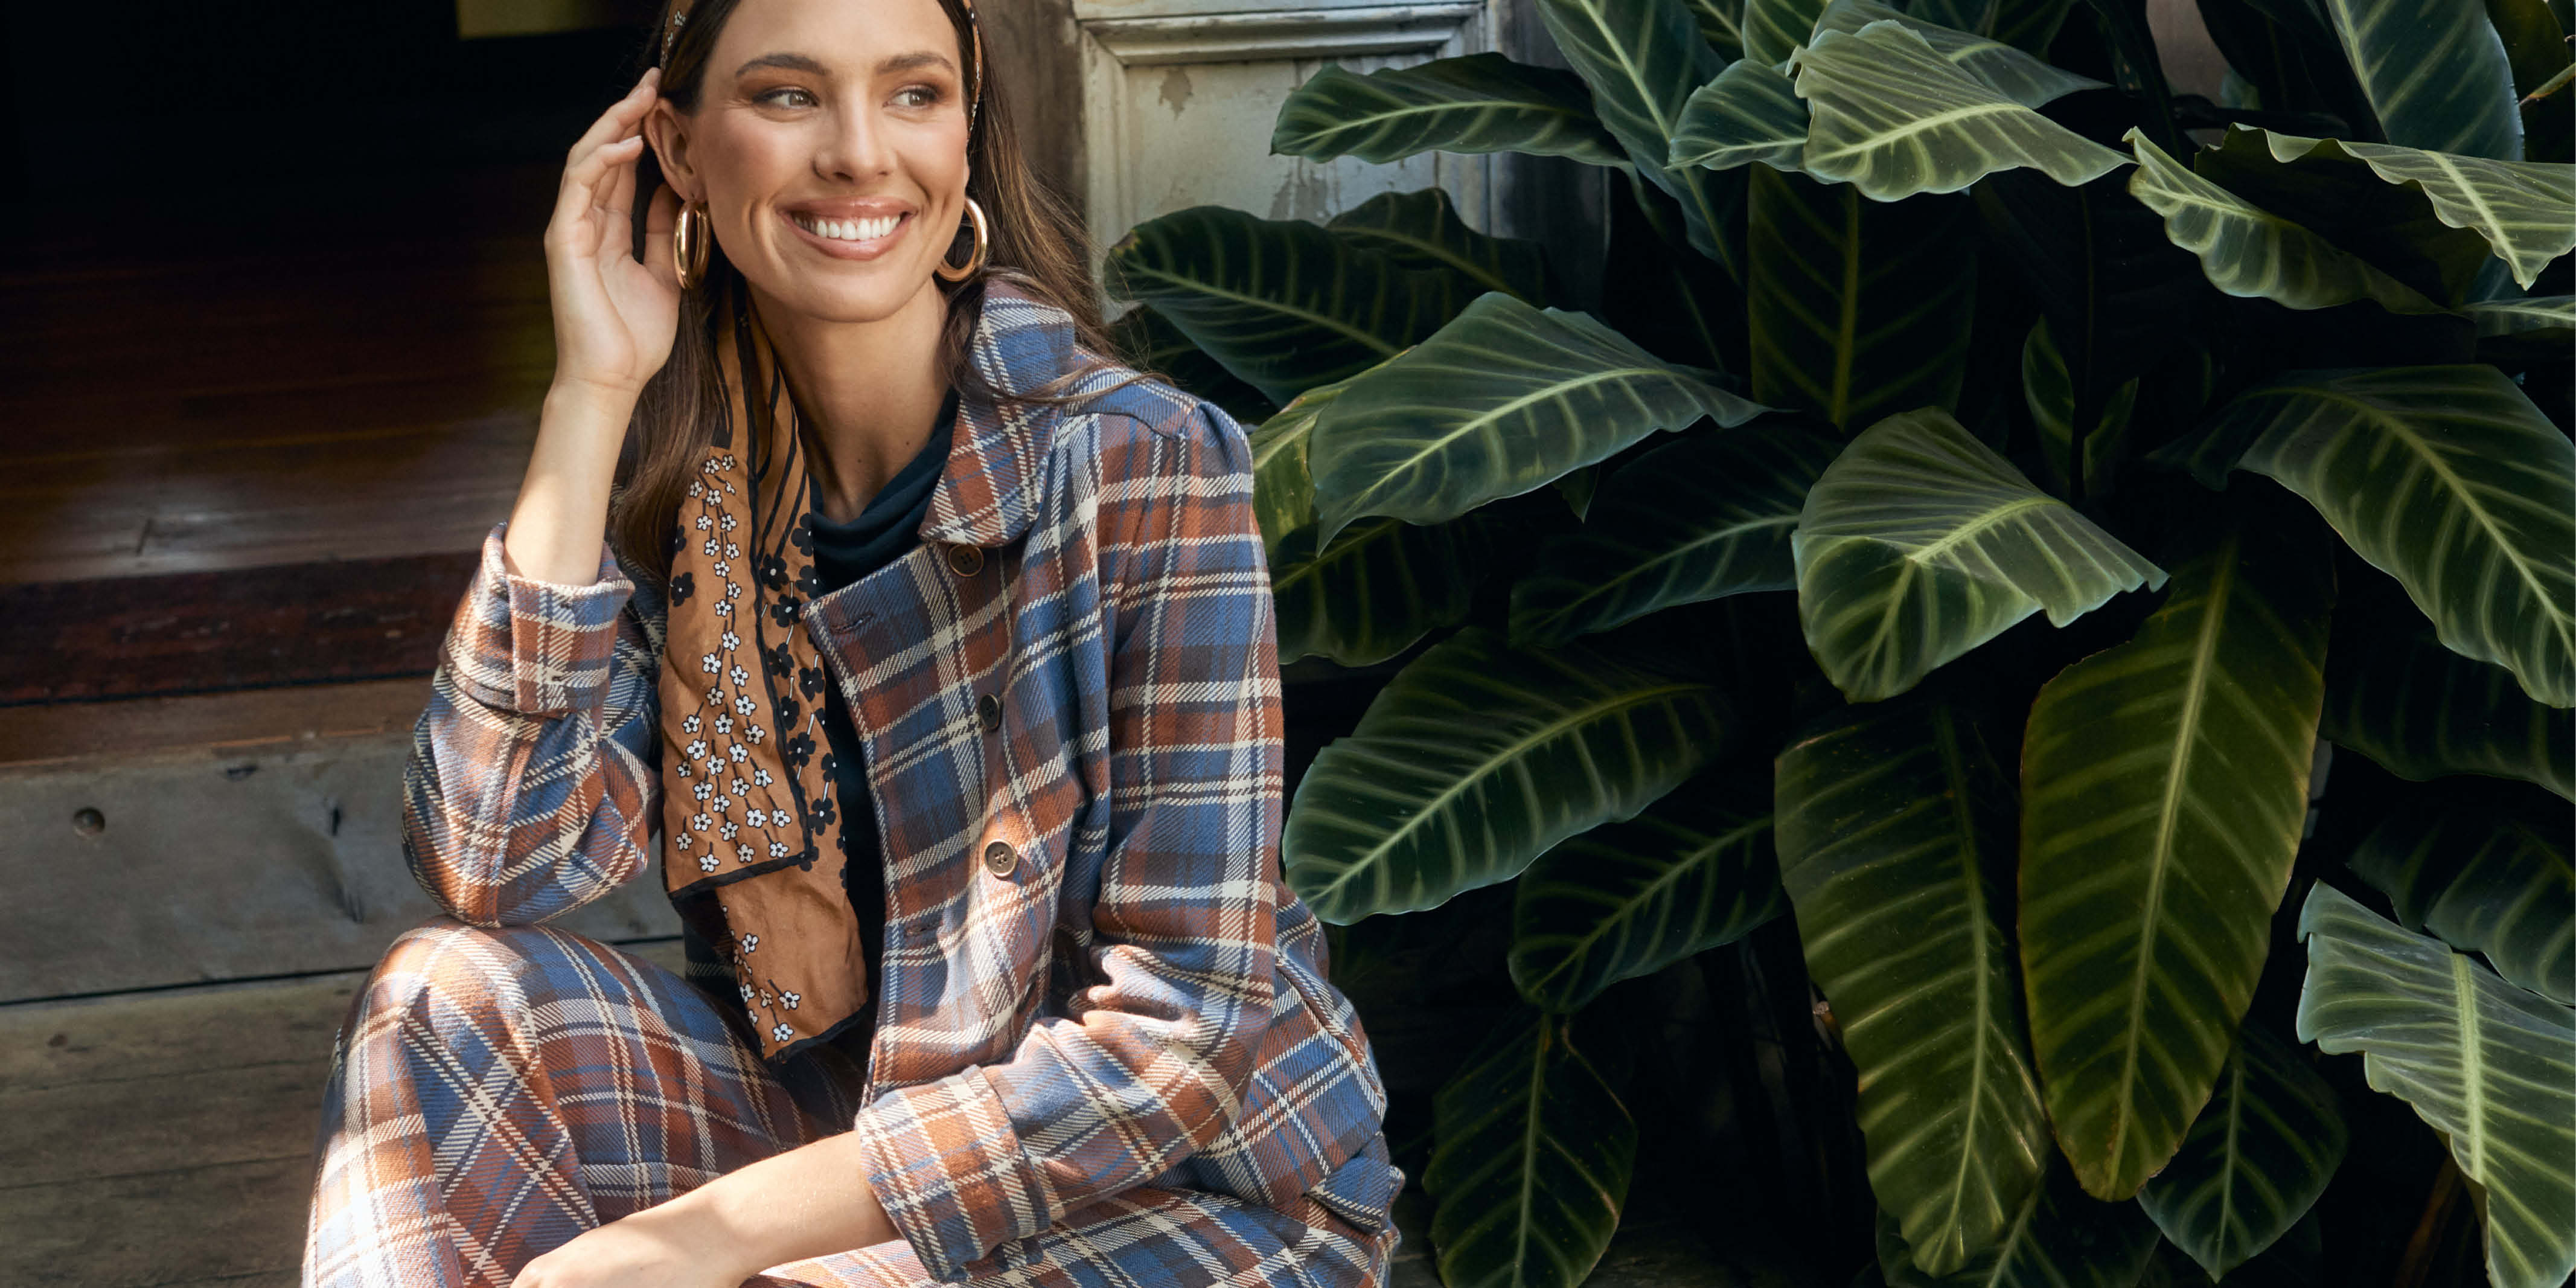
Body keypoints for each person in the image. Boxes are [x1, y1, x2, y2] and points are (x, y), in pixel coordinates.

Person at [299, 0, 1399, 1284]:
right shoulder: (704, 499)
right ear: (676, 145)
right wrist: (588, 391)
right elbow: (494, 859)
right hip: (853, 1130)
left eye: (915, 94)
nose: (862, 154)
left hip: (1191, 1191)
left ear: (966, 131)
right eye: (788, 96)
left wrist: (691, 1241)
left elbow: (1175, 1043)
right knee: (440, 1000)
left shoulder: (1137, 462)